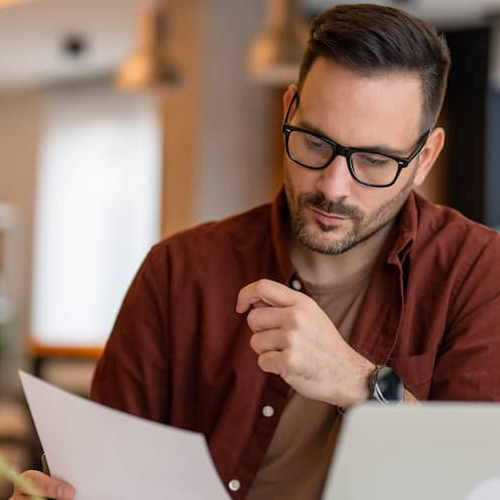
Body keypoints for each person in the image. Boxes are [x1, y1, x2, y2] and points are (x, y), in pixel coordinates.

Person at [11, 3, 500, 500]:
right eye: (314, 142)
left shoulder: (480, 273)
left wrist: (359, 384)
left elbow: (479, 479)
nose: (333, 186)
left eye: (374, 161)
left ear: (425, 158)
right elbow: (104, 476)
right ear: (290, 108)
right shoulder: (178, 271)